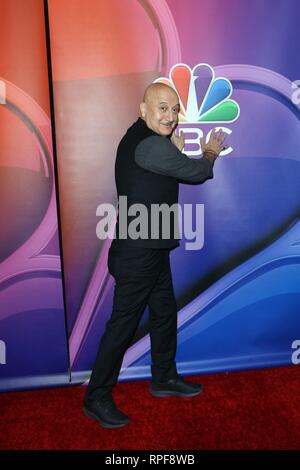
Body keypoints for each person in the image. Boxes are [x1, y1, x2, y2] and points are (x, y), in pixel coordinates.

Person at [83, 83, 228, 429]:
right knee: (122, 326)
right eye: (162, 108)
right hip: (138, 256)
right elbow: (197, 173)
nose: (170, 116)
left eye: (175, 109)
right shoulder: (149, 145)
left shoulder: (147, 141)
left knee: (164, 314)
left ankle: (163, 378)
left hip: (152, 250)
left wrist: (172, 148)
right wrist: (209, 153)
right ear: (143, 109)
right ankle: (96, 396)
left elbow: (161, 173)